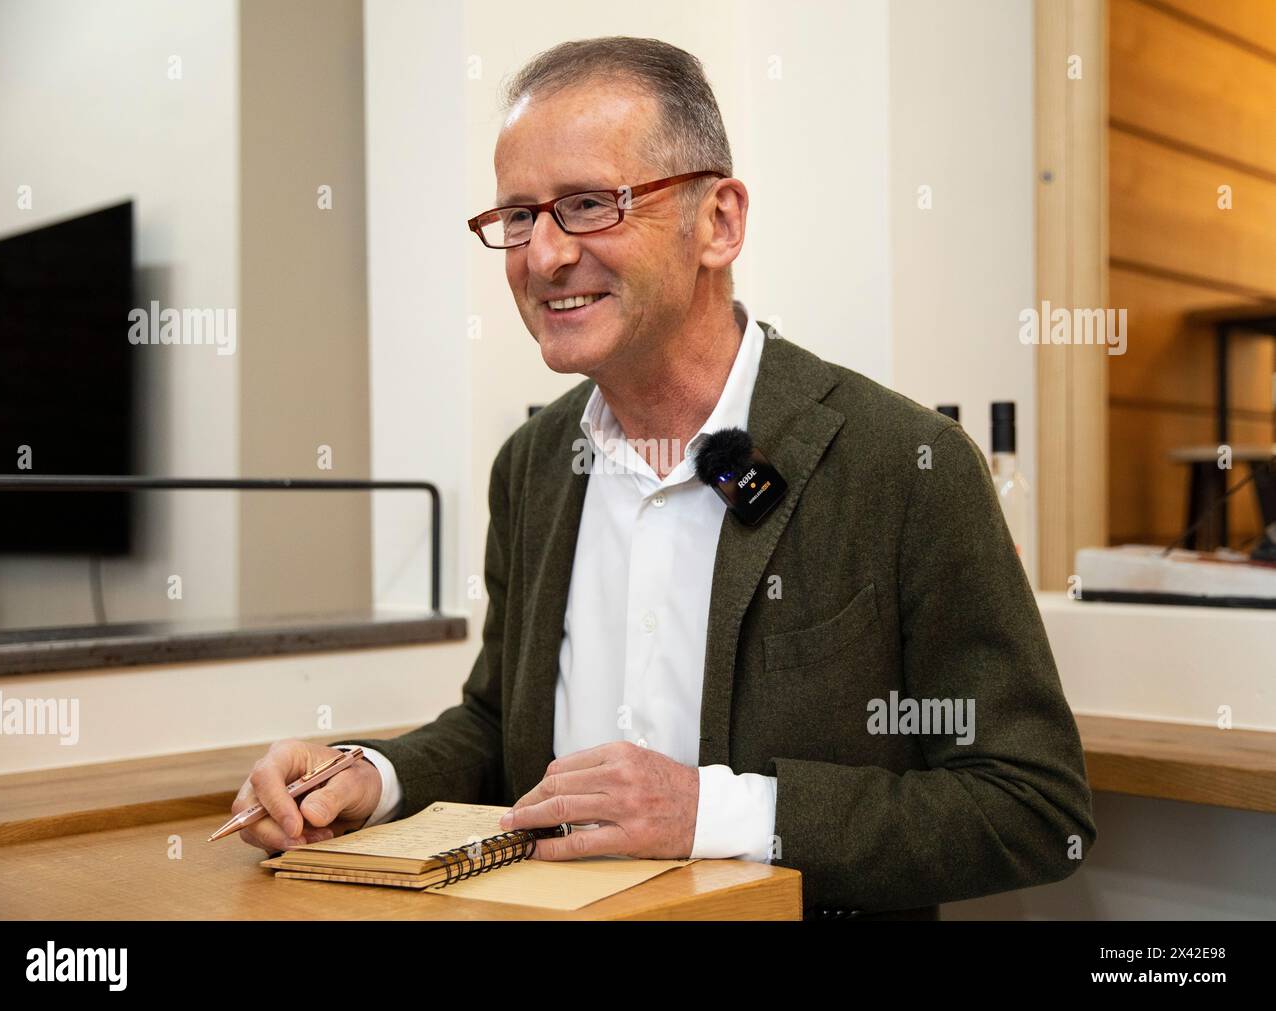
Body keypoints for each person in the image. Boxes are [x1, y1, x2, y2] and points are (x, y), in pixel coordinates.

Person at [233, 36, 1095, 920]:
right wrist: (364, 776)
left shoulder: (905, 467)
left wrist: (710, 812)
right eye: (519, 216)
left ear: (718, 221)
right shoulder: (531, 468)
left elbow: (1029, 804)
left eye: (587, 204)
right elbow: (499, 727)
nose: (544, 256)